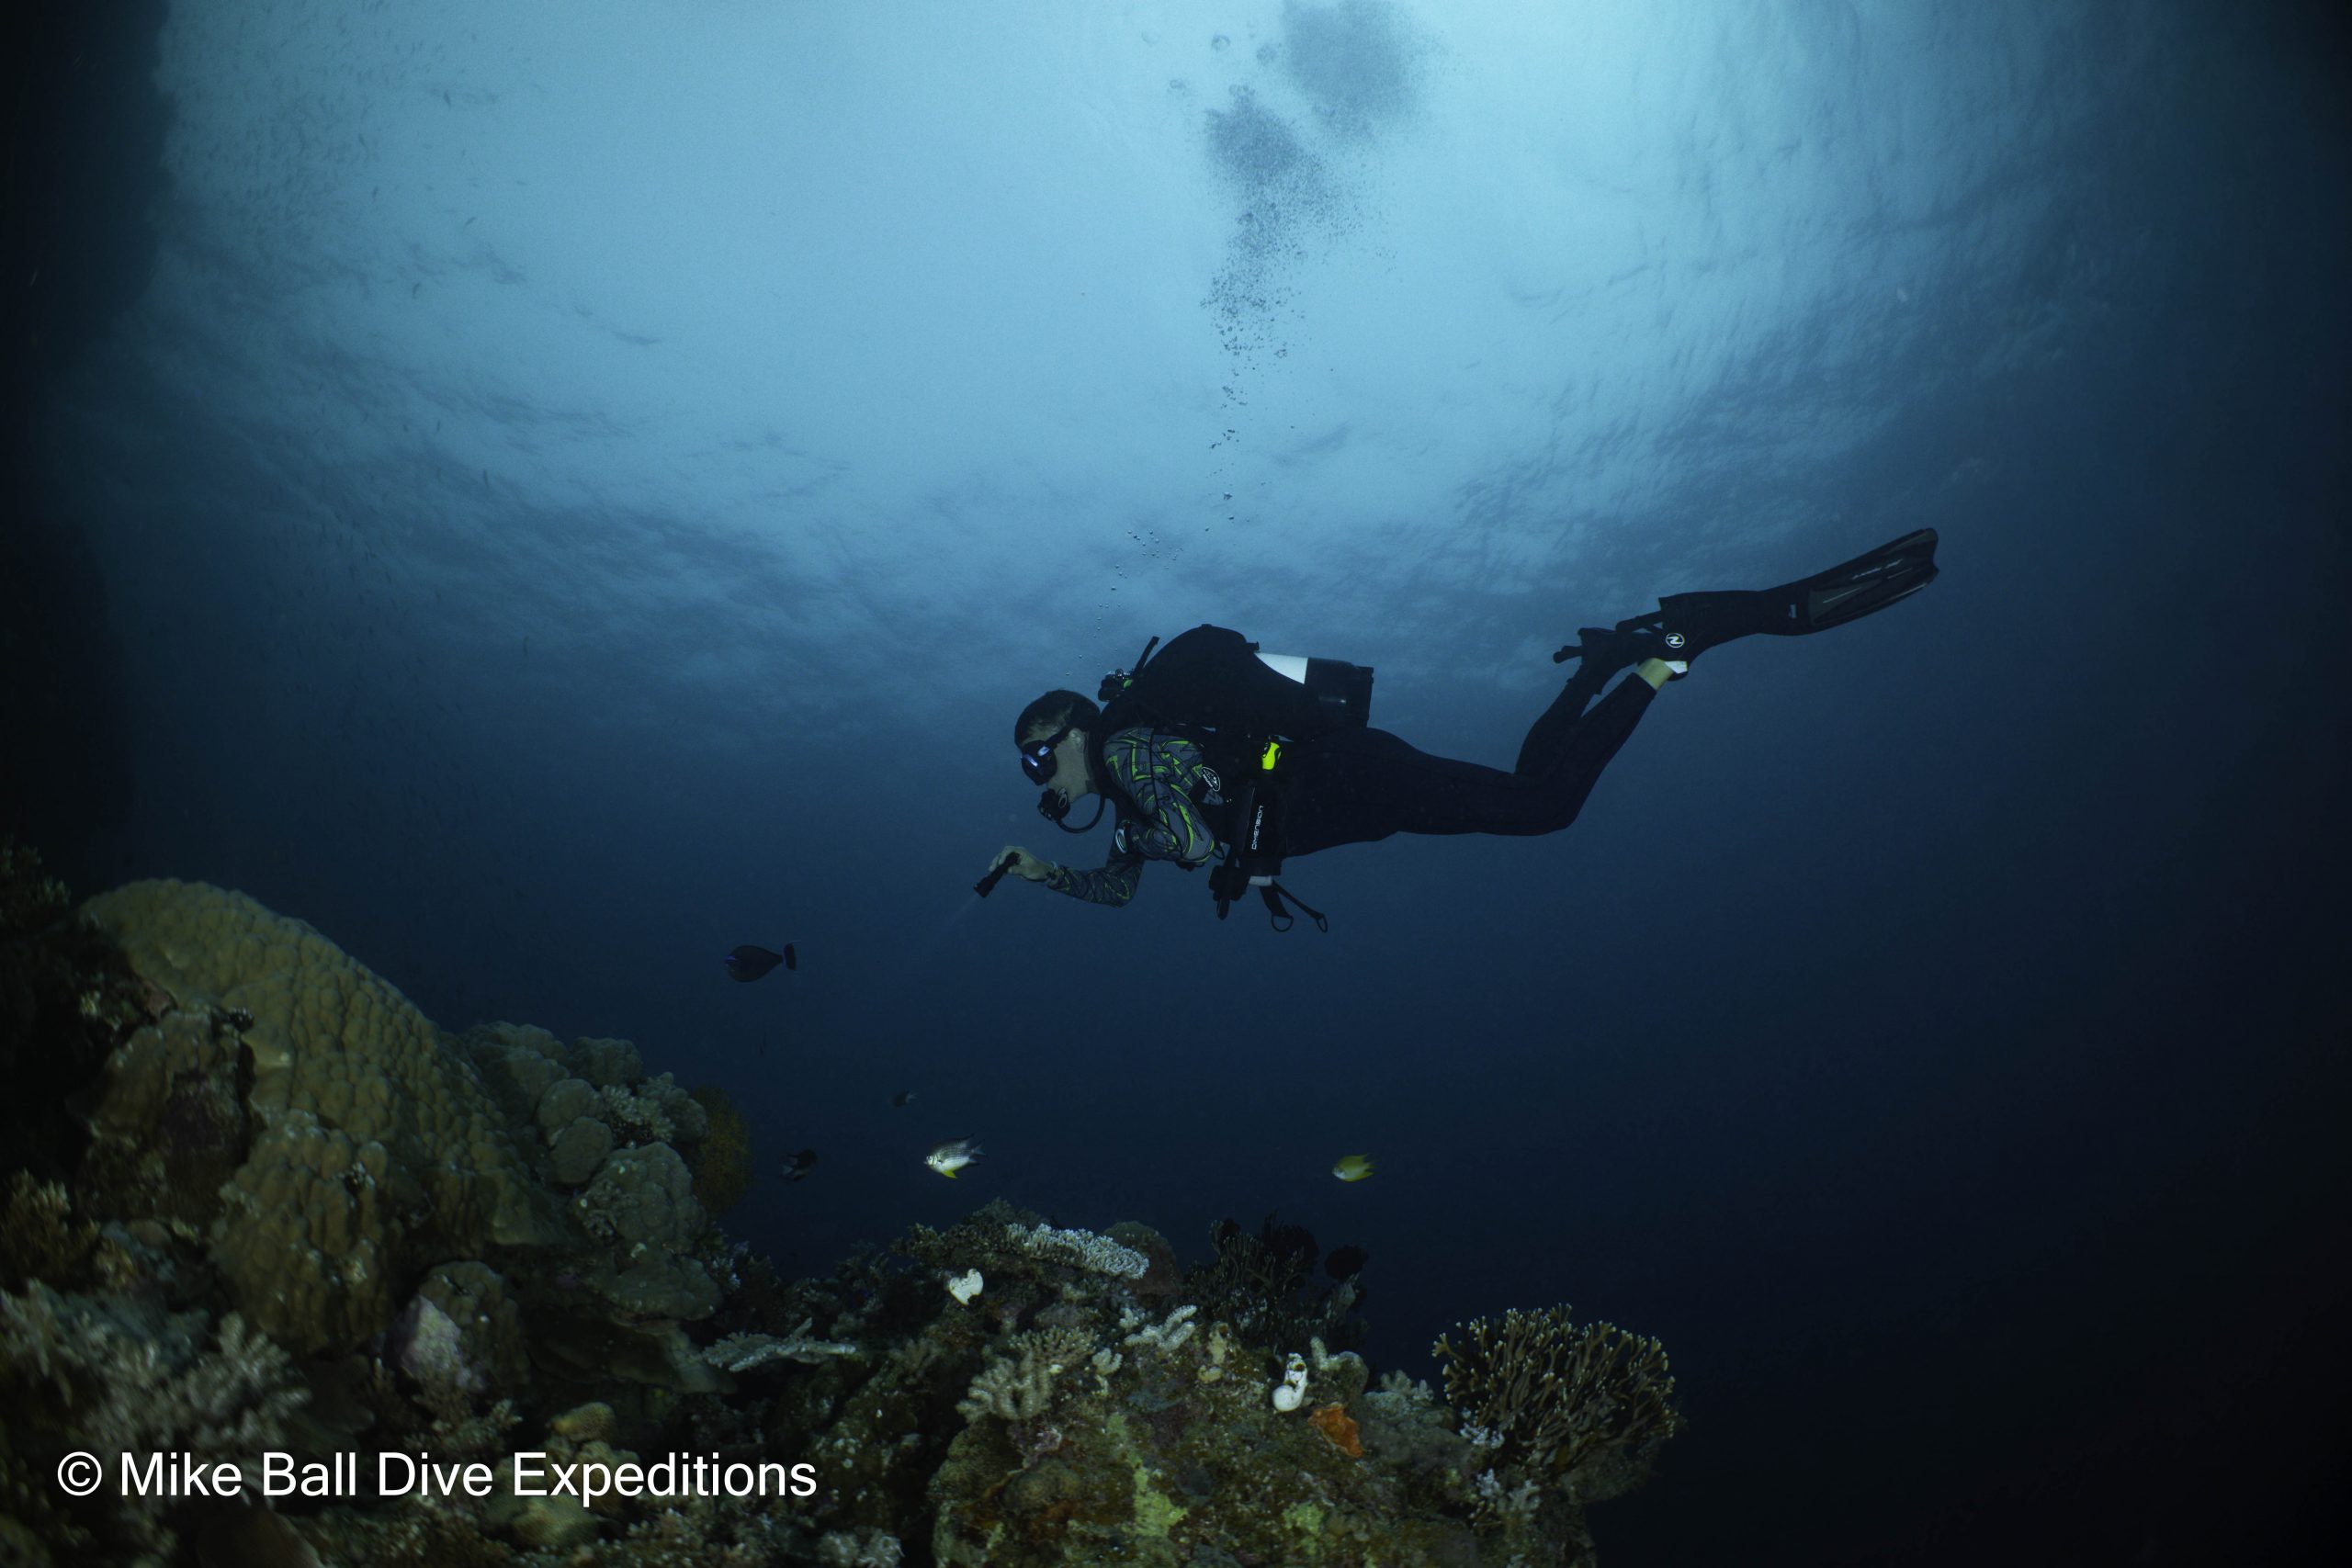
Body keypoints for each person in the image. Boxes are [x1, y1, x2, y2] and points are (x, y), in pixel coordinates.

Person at [989, 530, 1939, 922]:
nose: (1043, 781)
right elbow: (1120, 890)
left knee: (1545, 810)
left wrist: (1172, 841)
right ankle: (1607, 661)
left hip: (1344, 781)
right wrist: (1045, 874)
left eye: (1039, 759)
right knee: (1528, 792)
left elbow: (1194, 844)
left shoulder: (1125, 750)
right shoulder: (1127, 787)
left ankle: (1666, 654)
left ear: (1071, 729)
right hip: (1354, 792)